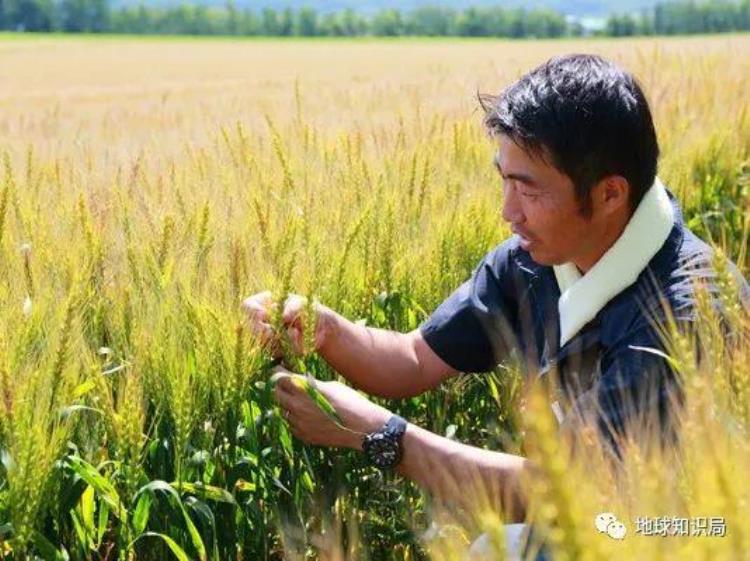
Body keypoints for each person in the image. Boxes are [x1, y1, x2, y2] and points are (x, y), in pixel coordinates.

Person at [242, 54, 748, 557]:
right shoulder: (535, 261)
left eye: (528, 190)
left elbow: (574, 491)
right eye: (504, 180)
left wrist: (380, 434)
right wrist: (328, 330)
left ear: (610, 193)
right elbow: (416, 357)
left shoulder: (688, 312)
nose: (508, 212)